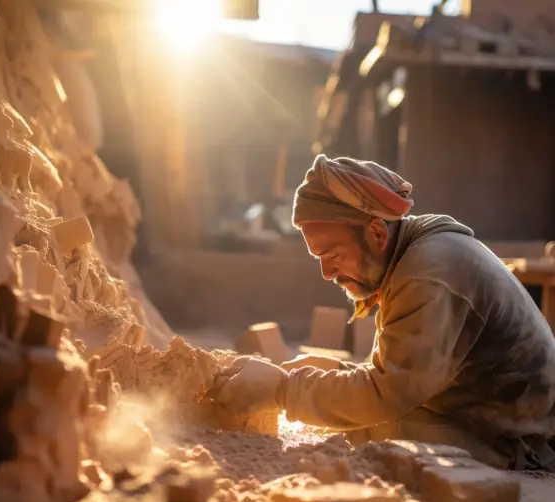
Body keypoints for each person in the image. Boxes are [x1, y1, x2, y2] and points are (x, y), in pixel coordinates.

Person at [212, 154, 555, 471]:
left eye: (332, 255)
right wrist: (332, 372)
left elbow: (386, 395)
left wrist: (283, 390)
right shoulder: (414, 253)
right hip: (491, 418)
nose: (327, 273)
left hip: (522, 442)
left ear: (376, 232)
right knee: (359, 420)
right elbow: (401, 375)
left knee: (377, 430)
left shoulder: (428, 273)